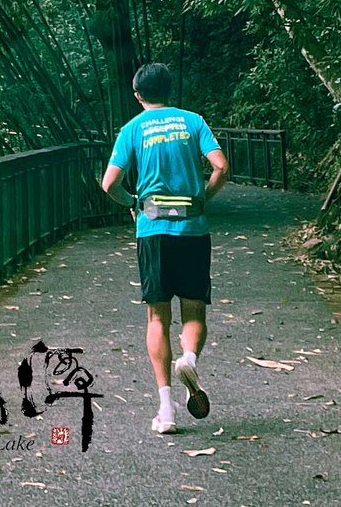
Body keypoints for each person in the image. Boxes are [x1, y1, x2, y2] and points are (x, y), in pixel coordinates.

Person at [100, 63, 230, 434]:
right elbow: (221, 166)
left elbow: (109, 183)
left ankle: (166, 410)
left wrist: (132, 203)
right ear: (170, 90)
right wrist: (204, 197)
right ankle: (189, 358)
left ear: (137, 94)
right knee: (194, 310)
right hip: (192, 228)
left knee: (158, 317)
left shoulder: (133, 129)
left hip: (153, 228)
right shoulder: (193, 122)